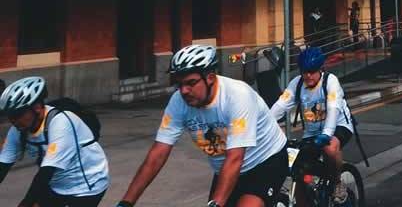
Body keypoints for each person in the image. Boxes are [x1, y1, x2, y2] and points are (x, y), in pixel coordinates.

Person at [116, 44, 288, 207]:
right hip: (224, 168)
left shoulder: (237, 96)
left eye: (191, 83)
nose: (183, 91)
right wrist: (126, 203)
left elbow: (235, 158)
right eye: (179, 84)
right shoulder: (178, 101)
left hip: (265, 161)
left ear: (210, 78)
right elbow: (158, 154)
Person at [0, 77, 109, 207]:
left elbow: (46, 171)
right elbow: (3, 165)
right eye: (9, 115)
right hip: (57, 184)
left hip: (87, 185)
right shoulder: (18, 129)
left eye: (17, 114)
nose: (13, 120)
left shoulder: (61, 122)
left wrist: (25, 204)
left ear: (37, 107)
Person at [271, 47, 354, 205]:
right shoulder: (297, 84)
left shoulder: (330, 82)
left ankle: (337, 183)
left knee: (329, 147)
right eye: (304, 71)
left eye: (312, 71)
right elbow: (280, 106)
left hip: (338, 125)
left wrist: (327, 134)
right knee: (297, 171)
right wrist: (263, 126)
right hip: (313, 131)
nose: (308, 75)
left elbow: (333, 108)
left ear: (320, 69)